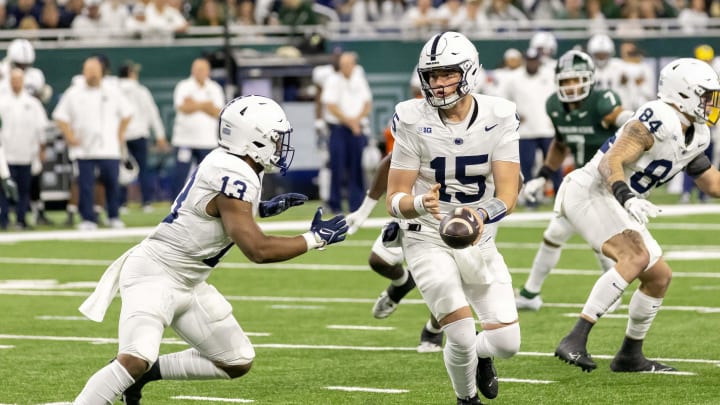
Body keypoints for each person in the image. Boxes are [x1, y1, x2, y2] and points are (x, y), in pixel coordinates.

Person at [73, 95, 349, 405]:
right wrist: (313, 238)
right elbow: (257, 249)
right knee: (136, 358)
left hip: (189, 281)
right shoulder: (233, 174)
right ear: (254, 139)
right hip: (156, 274)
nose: (280, 146)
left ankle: (146, 374)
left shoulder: (235, 163)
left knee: (236, 359)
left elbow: (214, 211)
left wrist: (260, 208)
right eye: (275, 139)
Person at [553, 57, 720, 373]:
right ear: (683, 93)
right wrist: (627, 197)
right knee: (636, 256)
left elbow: (711, 183)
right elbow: (609, 163)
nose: (711, 104)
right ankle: (575, 338)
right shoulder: (659, 117)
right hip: (591, 190)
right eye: (705, 95)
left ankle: (630, 355)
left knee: (659, 277)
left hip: (617, 199)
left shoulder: (696, 133)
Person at [386, 31, 521, 405]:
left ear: (469, 71)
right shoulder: (411, 117)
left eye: (446, 73)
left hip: (480, 237)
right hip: (427, 236)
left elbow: (509, 192)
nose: (439, 83)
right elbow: (393, 197)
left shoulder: (499, 114)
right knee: (460, 334)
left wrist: (480, 213)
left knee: (508, 343)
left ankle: (483, 355)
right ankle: (466, 400)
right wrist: (416, 205)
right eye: (432, 75)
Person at [516, 50, 631, 311]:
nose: (571, 86)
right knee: (554, 233)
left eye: (576, 80)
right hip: (582, 180)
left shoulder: (602, 100)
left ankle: (612, 293)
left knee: (600, 239)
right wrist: (543, 176)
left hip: (610, 179)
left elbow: (617, 115)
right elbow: (560, 143)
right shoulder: (553, 105)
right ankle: (530, 294)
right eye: (565, 81)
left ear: (589, 79)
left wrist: (630, 119)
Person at [346, 154, 445, 353]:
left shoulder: (486, 132)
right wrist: (364, 211)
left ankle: (433, 330)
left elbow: (512, 177)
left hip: (457, 216)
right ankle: (402, 282)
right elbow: (390, 161)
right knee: (379, 261)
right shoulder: (422, 127)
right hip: (416, 210)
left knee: (444, 284)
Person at [53, 57, 132, 230]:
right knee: (85, 184)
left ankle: (113, 215)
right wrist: (69, 135)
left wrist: (120, 133)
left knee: (112, 182)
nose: (92, 74)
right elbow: (60, 116)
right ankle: (87, 218)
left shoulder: (113, 91)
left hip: (109, 147)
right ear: (83, 71)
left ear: (101, 71)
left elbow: (127, 114)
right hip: (84, 148)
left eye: (95, 70)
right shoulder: (74, 93)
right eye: (88, 70)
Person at [321, 51, 373, 213]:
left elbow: (367, 104)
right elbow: (331, 106)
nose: (346, 68)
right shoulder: (333, 80)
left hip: (357, 129)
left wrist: (356, 121)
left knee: (357, 168)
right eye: (343, 65)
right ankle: (334, 204)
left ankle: (357, 204)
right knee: (337, 167)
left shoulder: (359, 78)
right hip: (339, 129)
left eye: (348, 64)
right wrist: (351, 122)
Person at [0, 68, 49, 230]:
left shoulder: (32, 103)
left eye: (19, 80)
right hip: (6, 154)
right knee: (5, 190)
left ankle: (21, 219)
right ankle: (3, 219)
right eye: (13, 80)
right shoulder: (2, 102)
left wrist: (41, 148)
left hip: (26, 154)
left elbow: (41, 128)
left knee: (24, 190)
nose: (16, 83)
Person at [117, 61, 169, 212]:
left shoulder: (113, 90)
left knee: (122, 170)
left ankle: (121, 204)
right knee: (143, 170)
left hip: (121, 136)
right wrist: (160, 135)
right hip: (139, 134)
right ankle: (146, 202)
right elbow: (152, 113)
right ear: (131, 74)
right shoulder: (141, 90)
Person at [170, 57, 225, 198]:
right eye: (197, 69)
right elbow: (183, 108)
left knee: (209, 176)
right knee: (180, 175)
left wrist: (195, 104)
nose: (199, 72)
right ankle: (177, 204)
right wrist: (206, 104)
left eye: (202, 69)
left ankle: (206, 203)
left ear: (208, 71)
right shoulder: (183, 86)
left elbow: (218, 112)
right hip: (184, 140)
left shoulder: (215, 88)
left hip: (207, 141)